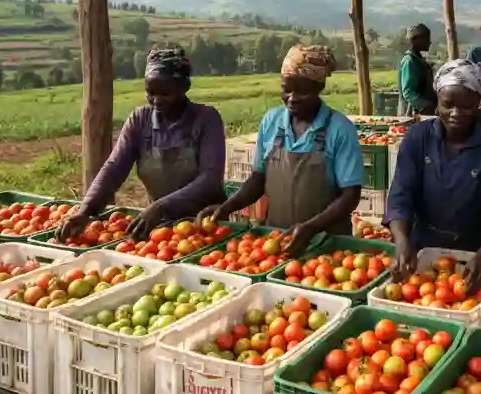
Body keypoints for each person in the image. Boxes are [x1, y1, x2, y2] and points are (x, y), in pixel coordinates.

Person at [209, 45, 365, 252]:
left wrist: (312, 227)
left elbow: (351, 196)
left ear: (318, 88)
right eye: (286, 89)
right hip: (277, 242)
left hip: (328, 246)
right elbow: (258, 179)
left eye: (302, 91)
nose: (291, 98)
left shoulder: (339, 129)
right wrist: (226, 207)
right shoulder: (271, 121)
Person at [61, 47, 226, 242]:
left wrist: (160, 206)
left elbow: (210, 179)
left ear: (184, 87)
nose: (156, 100)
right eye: (150, 92)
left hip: (205, 225)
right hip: (159, 226)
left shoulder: (206, 119)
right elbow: (114, 168)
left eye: (165, 94)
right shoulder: (140, 120)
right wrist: (86, 210)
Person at [385, 60, 481, 291]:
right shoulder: (418, 138)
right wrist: (402, 242)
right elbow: (400, 197)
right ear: (437, 102)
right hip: (423, 252)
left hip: (475, 251)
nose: (455, 113)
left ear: (478, 104)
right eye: (448, 104)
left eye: (466, 106)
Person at [397, 24, 436, 116]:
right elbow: (408, 92)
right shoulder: (409, 61)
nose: (429, 42)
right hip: (412, 114)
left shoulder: (418, 60)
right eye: (426, 39)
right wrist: (428, 106)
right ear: (415, 40)